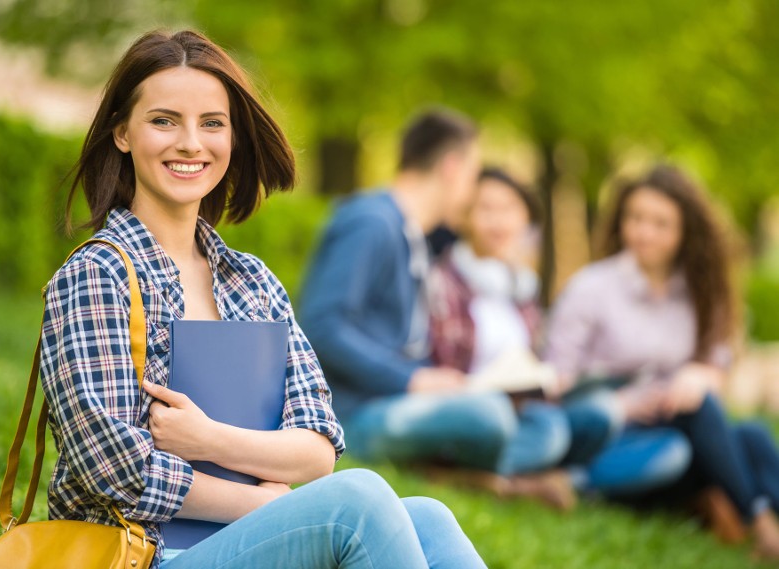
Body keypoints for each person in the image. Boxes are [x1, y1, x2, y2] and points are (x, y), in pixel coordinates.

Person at [40, 29, 485, 569]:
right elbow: (110, 465)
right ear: (123, 134)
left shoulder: (252, 282)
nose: (190, 143)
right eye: (164, 120)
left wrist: (207, 439)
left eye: (212, 123)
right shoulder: (96, 274)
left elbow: (318, 447)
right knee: (358, 502)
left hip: (244, 542)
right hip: (142, 555)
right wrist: (255, 501)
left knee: (429, 518)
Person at [299, 113, 572, 507]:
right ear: (452, 167)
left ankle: (464, 474)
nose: (471, 191)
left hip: (402, 401)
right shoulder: (371, 222)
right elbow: (322, 326)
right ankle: (491, 474)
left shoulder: (413, 233)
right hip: (357, 412)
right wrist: (413, 380)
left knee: (548, 426)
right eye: (473, 173)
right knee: (489, 417)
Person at [545, 164, 779, 559]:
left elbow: (717, 366)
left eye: (660, 223)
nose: (644, 232)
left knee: (751, 435)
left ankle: (746, 511)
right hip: (613, 436)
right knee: (705, 413)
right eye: (635, 218)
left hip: (684, 430)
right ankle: (760, 523)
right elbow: (555, 382)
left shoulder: (700, 292)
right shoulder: (591, 288)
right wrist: (628, 404)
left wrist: (698, 375)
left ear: (686, 231)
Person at [428, 167, 624, 508]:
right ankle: (483, 476)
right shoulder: (443, 281)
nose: (498, 221)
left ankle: (503, 479)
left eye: (509, 210)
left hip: (525, 408)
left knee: (599, 417)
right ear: (465, 216)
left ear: (525, 220)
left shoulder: (522, 288)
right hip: (474, 407)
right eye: (486, 209)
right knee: (550, 434)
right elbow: (441, 359)